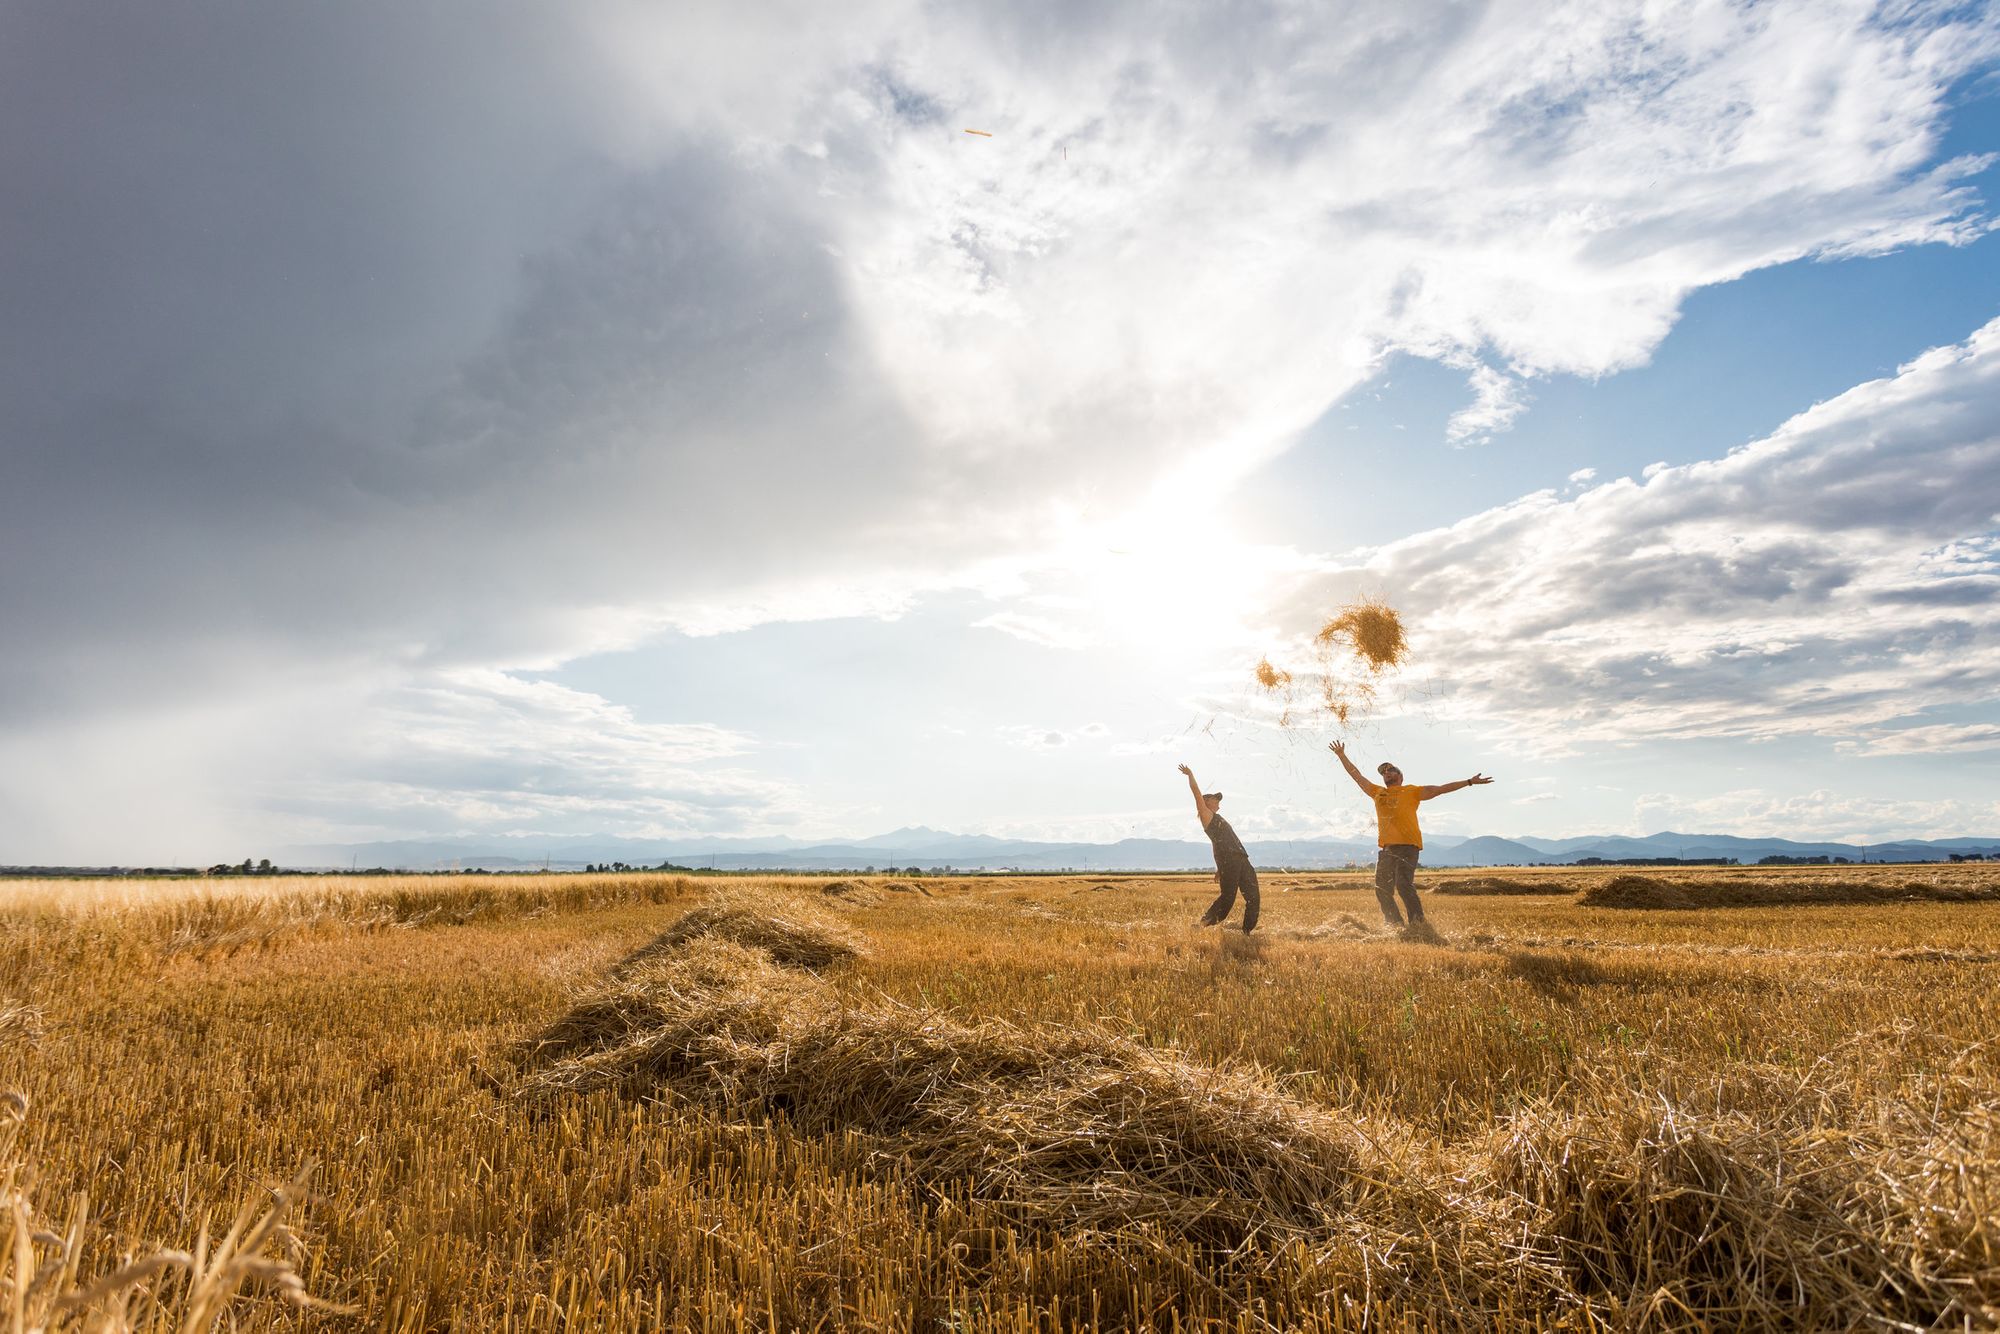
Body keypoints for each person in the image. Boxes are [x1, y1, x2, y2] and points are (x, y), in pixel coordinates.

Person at [1328, 740, 1491, 930]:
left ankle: (1418, 925)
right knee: (1381, 889)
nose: (1386, 773)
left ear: (1400, 775)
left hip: (1408, 846)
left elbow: (1441, 789)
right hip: (1387, 849)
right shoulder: (1377, 792)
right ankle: (1395, 925)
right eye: (1384, 772)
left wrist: (1469, 782)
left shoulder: (1412, 791)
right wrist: (1341, 755)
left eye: (1390, 770)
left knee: (1403, 884)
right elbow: (1357, 776)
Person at [1178, 763, 1258, 933]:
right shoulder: (1207, 816)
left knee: (1253, 896)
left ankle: (1246, 932)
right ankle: (1202, 924)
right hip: (1230, 861)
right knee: (1228, 898)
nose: (1218, 801)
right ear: (1207, 802)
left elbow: (1217, 844)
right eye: (1215, 798)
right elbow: (1196, 794)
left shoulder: (1217, 817)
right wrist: (1190, 774)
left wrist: (1218, 868)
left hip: (1241, 859)